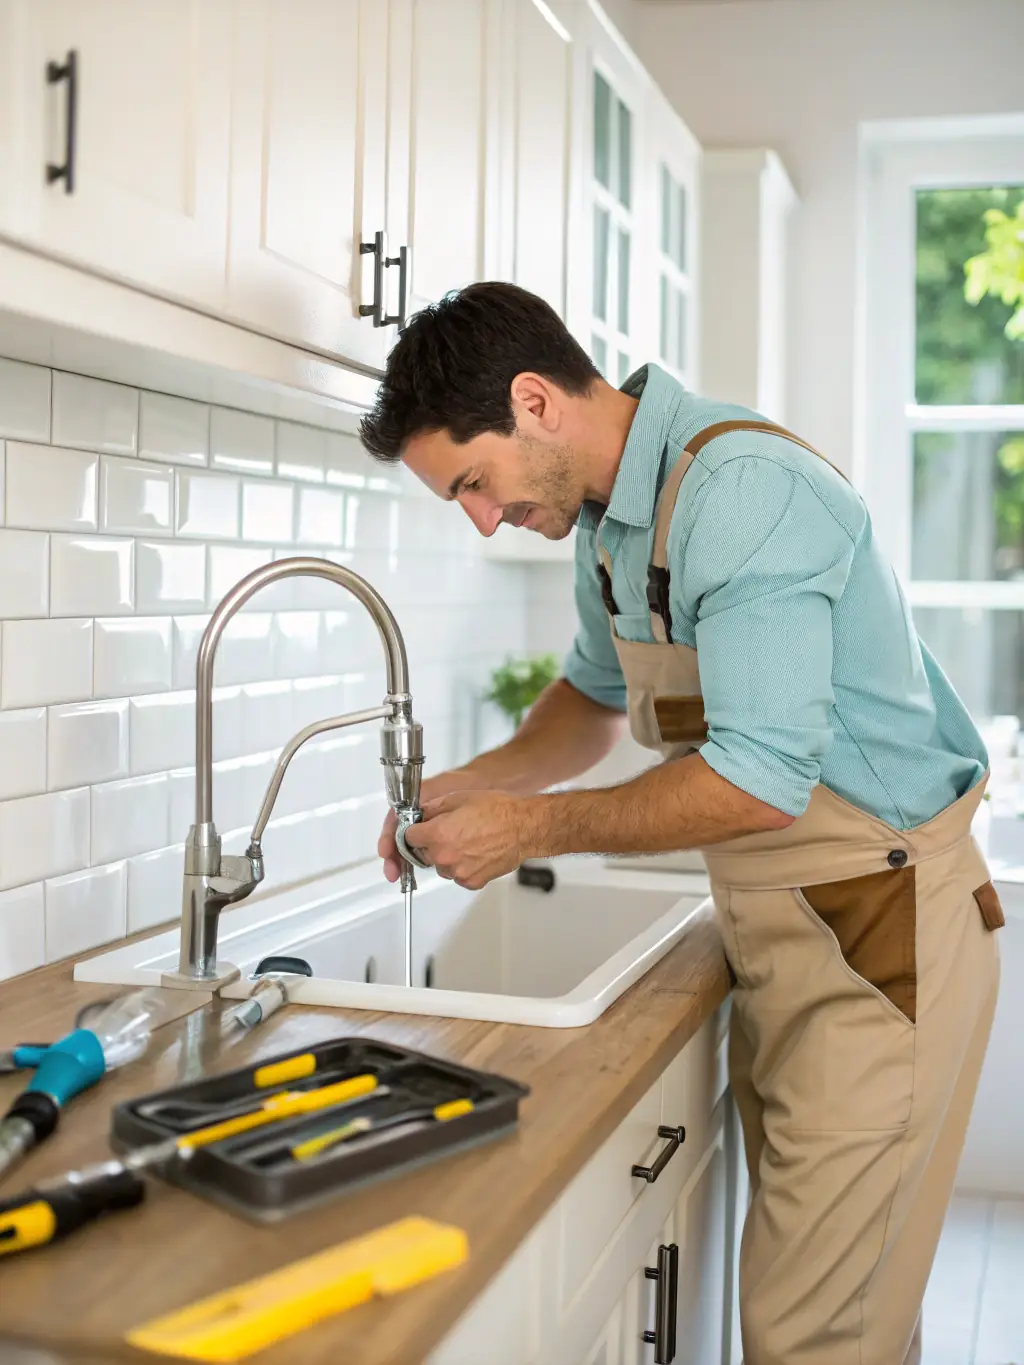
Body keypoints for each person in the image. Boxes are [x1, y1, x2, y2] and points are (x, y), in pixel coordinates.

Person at [358, 281, 1002, 1365]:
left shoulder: (740, 493)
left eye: (473, 482)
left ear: (534, 402)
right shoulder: (607, 516)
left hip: (880, 929)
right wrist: (470, 784)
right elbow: (593, 698)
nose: (479, 517)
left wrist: (528, 831)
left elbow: (758, 778)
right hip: (786, 924)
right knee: (851, 1304)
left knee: (814, 1334)